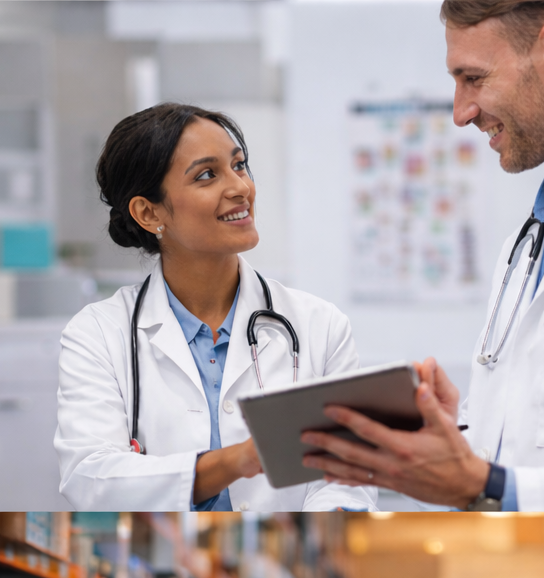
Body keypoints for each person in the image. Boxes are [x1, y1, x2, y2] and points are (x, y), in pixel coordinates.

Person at [296, 0, 544, 512]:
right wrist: (460, 434)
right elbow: (536, 436)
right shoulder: (533, 239)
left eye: (473, 78)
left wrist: (484, 484)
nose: (460, 112)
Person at [56, 103, 375, 511]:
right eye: (207, 175)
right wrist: (236, 461)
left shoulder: (320, 326)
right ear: (149, 212)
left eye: (239, 165)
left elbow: (348, 478)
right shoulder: (98, 334)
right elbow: (90, 480)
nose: (240, 187)